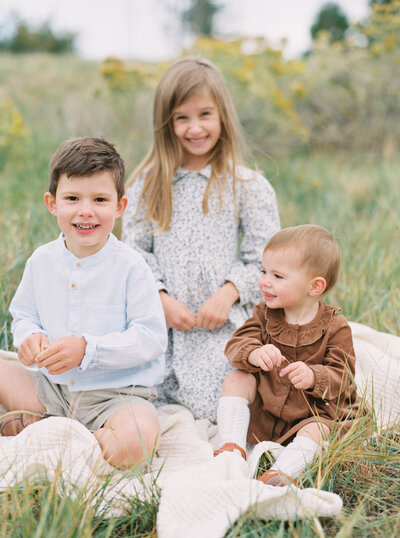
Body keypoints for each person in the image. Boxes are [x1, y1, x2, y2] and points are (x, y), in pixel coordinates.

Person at [122, 56, 280, 421]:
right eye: (181, 117)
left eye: (205, 114)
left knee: (219, 404)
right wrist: (159, 299)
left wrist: (228, 294)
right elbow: (133, 252)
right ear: (166, 123)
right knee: (140, 397)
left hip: (219, 322)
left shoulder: (246, 186)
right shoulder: (149, 183)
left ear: (222, 115)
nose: (195, 128)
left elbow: (268, 261)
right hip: (160, 319)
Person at [0, 137, 168, 469]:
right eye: (73, 198)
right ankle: (52, 429)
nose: (86, 211)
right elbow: (23, 316)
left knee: (140, 436)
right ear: (52, 203)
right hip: (50, 389)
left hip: (116, 397)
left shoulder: (131, 267)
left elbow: (151, 338)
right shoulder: (41, 261)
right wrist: (29, 339)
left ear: (120, 206)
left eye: (100, 199)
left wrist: (88, 348)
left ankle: (58, 441)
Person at [214, 224, 363, 486]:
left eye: (278, 276)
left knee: (318, 428)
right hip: (266, 408)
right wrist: (253, 353)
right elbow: (236, 344)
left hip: (311, 411)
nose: (264, 281)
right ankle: (231, 447)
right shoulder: (264, 314)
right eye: (263, 271)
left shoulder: (336, 327)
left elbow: (344, 377)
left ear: (315, 286)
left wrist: (314, 375)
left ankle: (283, 473)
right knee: (237, 378)